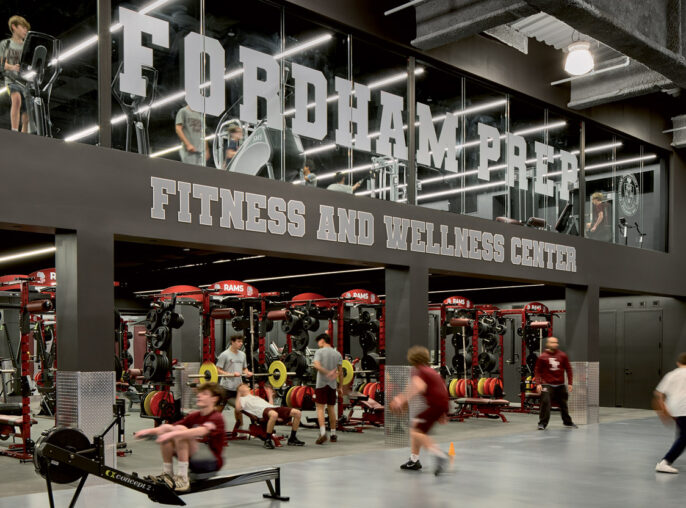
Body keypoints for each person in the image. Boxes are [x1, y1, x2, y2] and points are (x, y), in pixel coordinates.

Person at [134, 383, 227, 492]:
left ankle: (183, 478)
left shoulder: (216, 417)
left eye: (205, 394)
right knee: (171, 429)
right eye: (199, 393)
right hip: (194, 460)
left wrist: (173, 434)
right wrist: (148, 431)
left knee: (179, 431)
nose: (199, 396)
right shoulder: (195, 415)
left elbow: (201, 431)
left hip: (212, 463)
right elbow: (169, 427)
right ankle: (168, 474)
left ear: (214, 399)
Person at [390, 345, 450, 475]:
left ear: (412, 358)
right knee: (418, 428)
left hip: (434, 404)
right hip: (441, 404)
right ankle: (414, 460)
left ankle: (439, 455)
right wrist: (443, 412)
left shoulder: (419, 371)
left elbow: (418, 387)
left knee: (415, 432)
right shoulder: (431, 370)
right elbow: (442, 389)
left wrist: (400, 399)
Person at [235, 383, 305, 448]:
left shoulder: (256, 397)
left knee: (297, 412)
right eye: (244, 386)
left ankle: (292, 438)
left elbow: (270, 405)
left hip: (273, 408)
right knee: (274, 414)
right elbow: (238, 409)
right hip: (261, 411)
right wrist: (238, 394)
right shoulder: (241, 399)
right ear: (240, 390)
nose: (247, 386)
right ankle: (267, 440)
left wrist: (270, 396)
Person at [534, 336, 577, 430]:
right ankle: (542, 423)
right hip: (547, 384)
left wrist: (570, 383)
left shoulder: (562, 355)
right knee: (545, 403)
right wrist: (538, 384)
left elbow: (568, 369)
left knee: (564, 404)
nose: (555, 344)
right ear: (548, 344)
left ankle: (567, 422)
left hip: (560, 384)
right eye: (552, 342)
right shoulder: (542, 357)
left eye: (556, 343)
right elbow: (537, 371)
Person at [653, 352, 686, 473]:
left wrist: (663, 411)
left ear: (678, 363)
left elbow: (658, 394)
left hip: (675, 410)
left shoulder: (671, 375)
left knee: (683, 436)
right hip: (684, 410)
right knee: (683, 438)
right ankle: (665, 462)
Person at [216, 335, 253, 433]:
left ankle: (239, 428)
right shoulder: (224, 355)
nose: (241, 343)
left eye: (241, 342)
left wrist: (247, 372)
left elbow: (244, 368)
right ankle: (211, 428)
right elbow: (218, 370)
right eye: (238, 341)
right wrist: (230, 374)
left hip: (238, 387)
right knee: (219, 408)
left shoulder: (242, 355)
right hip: (226, 387)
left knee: (239, 408)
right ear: (232, 342)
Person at [312, 332, 342, 444]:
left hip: (321, 384)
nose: (318, 344)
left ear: (323, 341)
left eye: (318, 342)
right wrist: (340, 386)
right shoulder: (337, 354)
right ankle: (333, 434)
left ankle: (323, 433)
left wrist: (327, 372)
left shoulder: (319, 352)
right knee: (331, 409)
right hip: (332, 385)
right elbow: (341, 371)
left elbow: (316, 365)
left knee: (320, 408)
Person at [1, 15, 30, 132]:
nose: (25, 30)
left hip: (26, 80)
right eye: (23, 27)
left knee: (27, 110)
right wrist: (13, 67)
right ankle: (14, 130)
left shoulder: (27, 46)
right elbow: (2, 64)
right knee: (17, 99)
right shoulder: (6, 44)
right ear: (14, 27)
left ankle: (24, 135)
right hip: (11, 79)